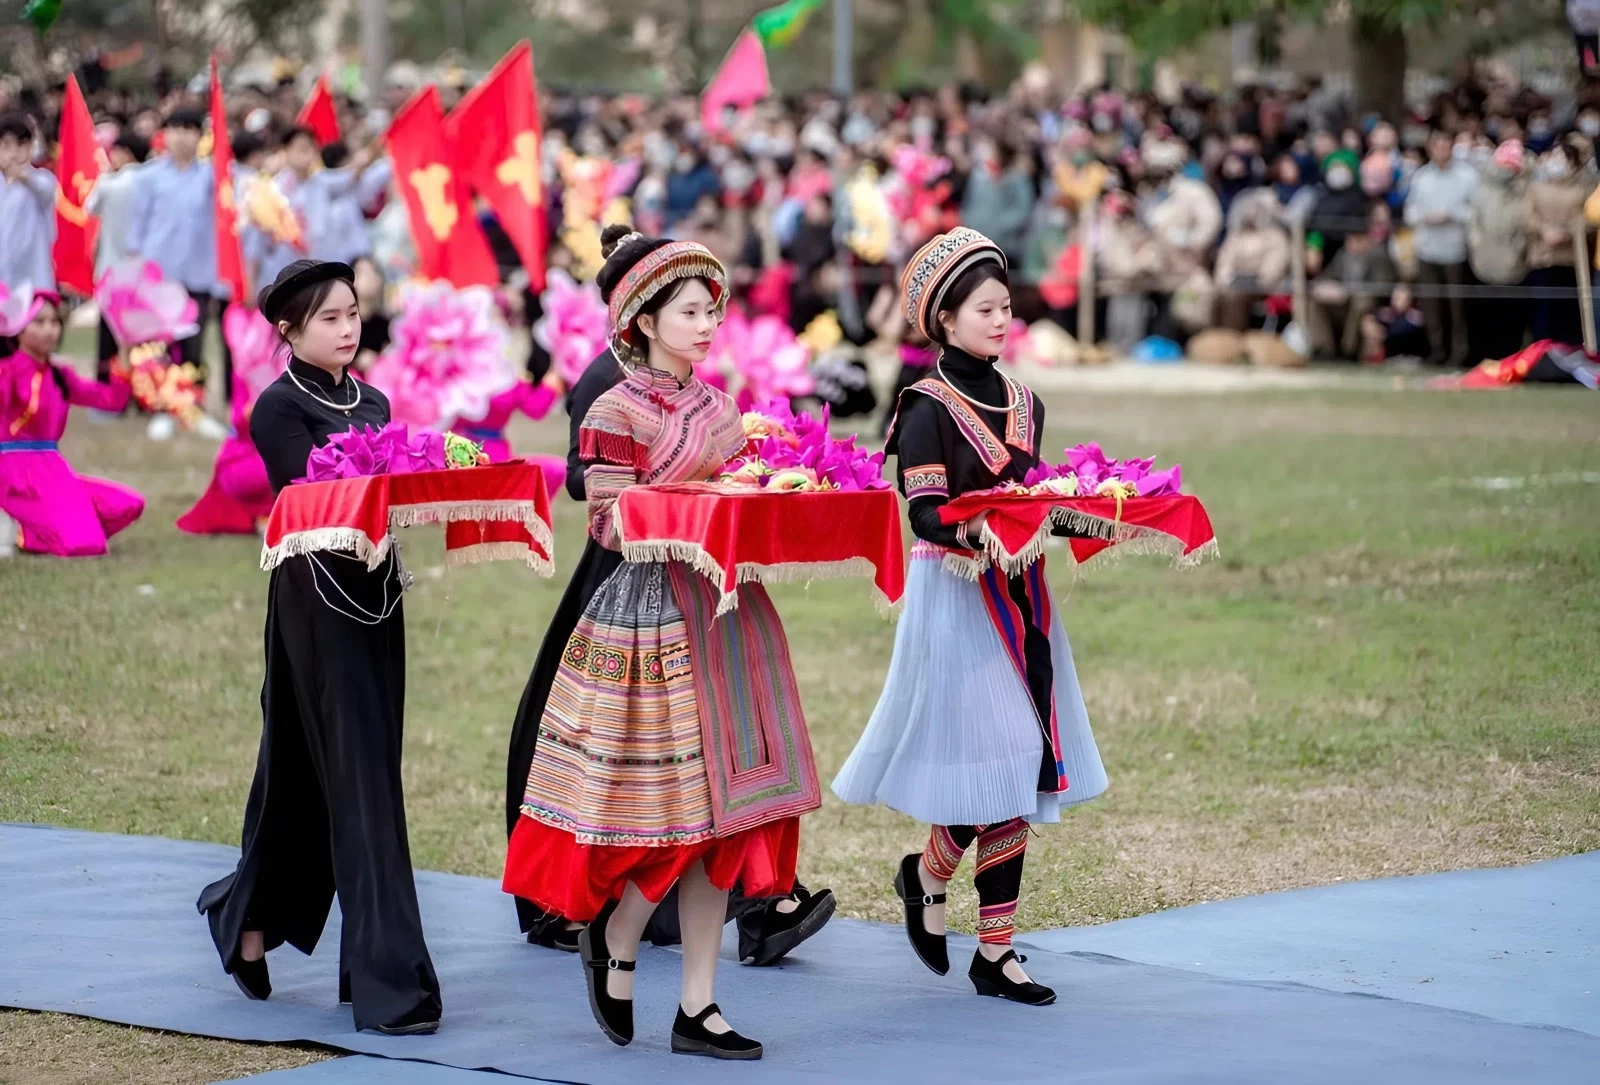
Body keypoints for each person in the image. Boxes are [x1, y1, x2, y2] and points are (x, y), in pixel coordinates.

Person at [503, 230, 824, 1060]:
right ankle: (616, 934)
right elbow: (609, 520)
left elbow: (744, 497)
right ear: (643, 320)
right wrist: (700, 500)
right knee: (668, 817)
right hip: (650, 614)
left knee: (725, 820)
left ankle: (698, 1004)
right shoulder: (613, 410)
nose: (708, 322)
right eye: (690, 310)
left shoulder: (721, 406)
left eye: (712, 308)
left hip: (726, 610)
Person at [832, 227, 1108, 1007]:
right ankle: (930, 881)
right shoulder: (925, 406)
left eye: (1005, 305)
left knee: (1015, 769)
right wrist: (979, 532)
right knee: (1005, 756)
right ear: (944, 320)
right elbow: (922, 512)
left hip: (1023, 601)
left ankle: (986, 940)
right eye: (984, 308)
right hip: (955, 597)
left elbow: (1032, 503)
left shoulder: (1027, 403)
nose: (1001, 319)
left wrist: (1092, 514)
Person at [196, 259, 442, 1037]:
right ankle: (390, 982)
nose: (348, 328)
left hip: (377, 595)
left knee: (316, 767)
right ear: (289, 330)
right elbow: (315, 498)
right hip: (314, 601)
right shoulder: (277, 409)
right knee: (358, 776)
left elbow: (393, 486)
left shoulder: (372, 399)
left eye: (353, 313)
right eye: (330, 317)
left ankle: (244, 916)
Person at [0, 290, 144, 558]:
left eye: (55, 322)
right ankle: (33, 528)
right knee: (87, 545)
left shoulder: (60, 375)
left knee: (128, 505)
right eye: (39, 322)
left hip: (53, 468)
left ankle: (38, 531)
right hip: (14, 472)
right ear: (18, 329)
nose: (50, 330)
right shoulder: (7, 370)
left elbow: (112, 400)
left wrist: (124, 348)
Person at [127, 110, 223, 390]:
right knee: (157, 343)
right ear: (165, 135)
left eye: (189, 129)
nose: (181, 137)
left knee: (194, 343)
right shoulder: (148, 176)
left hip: (198, 273)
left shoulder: (211, 176)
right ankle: (158, 399)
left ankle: (191, 398)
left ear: (199, 136)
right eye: (175, 129)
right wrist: (136, 269)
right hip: (159, 274)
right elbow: (138, 224)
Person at [1404, 131, 1479, 366]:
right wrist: (1425, 217)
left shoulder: (1467, 176)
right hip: (1427, 249)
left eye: (1447, 146)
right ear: (1430, 149)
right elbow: (1410, 211)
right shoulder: (1422, 177)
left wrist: (1452, 215)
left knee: (1456, 306)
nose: (1442, 151)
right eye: (1438, 146)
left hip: (1454, 250)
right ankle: (1437, 350)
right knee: (1431, 306)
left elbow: (1475, 212)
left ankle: (1460, 352)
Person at [86, 132, 151, 385]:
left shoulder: (109, 183)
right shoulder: (151, 181)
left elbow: (89, 208)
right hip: (142, 272)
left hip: (111, 270)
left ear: (125, 152)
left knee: (108, 332)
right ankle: (143, 387)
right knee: (141, 334)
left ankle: (106, 384)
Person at [1525, 136, 1597, 347]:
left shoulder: (1585, 188)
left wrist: (1568, 232)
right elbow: (1528, 216)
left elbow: (1589, 219)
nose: (1556, 161)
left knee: (1568, 311)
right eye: (1553, 156)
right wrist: (1544, 230)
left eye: (1563, 157)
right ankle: (1540, 354)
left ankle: (1569, 355)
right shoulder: (1536, 187)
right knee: (1542, 309)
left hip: (1570, 259)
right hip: (1542, 255)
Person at [1307, 211, 1398, 360]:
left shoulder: (1378, 256)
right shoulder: (1344, 255)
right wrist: (1325, 287)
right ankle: (1324, 350)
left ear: (1366, 239)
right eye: (1350, 239)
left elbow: (1382, 287)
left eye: (1357, 239)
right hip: (1343, 302)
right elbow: (1328, 276)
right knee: (1314, 301)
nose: (1351, 244)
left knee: (1360, 302)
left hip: (1366, 305)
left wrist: (1347, 291)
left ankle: (1349, 351)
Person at [0, 113, 57, 296]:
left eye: (11, 145)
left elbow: (45, 191)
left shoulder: (41, 180)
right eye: (2, 146)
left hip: (33, 277)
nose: (7, 152)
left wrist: (22, 175)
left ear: (26, 146)